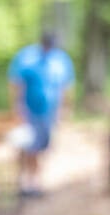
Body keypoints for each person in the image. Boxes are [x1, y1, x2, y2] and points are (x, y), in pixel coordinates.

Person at [8, 32, 75, 196]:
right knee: (28, 146)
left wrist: (65, 109)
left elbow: (66, 86)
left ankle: (36, 182)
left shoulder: (60, 60)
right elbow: (16, 83)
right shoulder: (27, 57)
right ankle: (26, 183)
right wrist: (17, 108)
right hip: (29, 112)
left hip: (49, 113)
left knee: (42, 148)